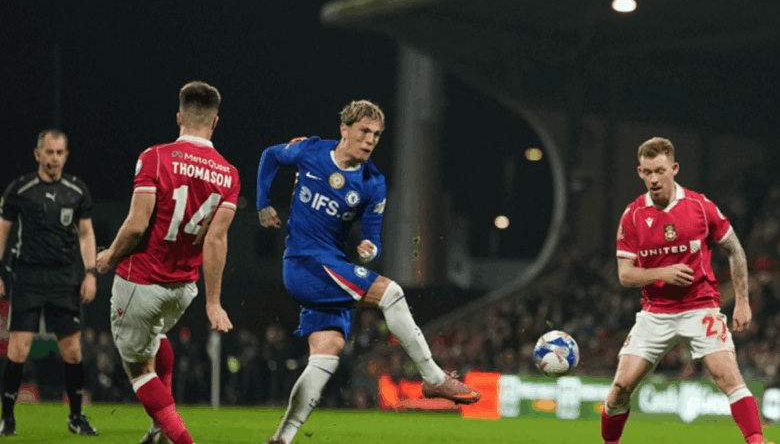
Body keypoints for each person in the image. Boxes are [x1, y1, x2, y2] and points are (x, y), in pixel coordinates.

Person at [256, 100, 481, 444]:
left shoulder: (373, 183)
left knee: (326, 354)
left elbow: (374, 238)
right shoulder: (311, 151)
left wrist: (370, 250)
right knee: (392, 293)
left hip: (329, 268)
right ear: (344, 129)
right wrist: (262, 203)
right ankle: (434, 377)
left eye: (376, 134)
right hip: (304, 262)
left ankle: (281, 439)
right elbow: (270, 156)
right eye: (364, 131)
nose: (370, 139)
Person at [602, 137, 773, 444]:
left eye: (660, 170)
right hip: (655, 313)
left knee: (728, 377)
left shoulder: (700, 207)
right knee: (619, 389)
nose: (654, 178)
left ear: (674, 169)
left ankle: (757, 442)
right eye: (647, 172)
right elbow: (625, 275)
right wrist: (662, 273)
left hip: (700, 308)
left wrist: (742, 302)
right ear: (640, 172)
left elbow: (735, 250)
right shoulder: (632, 216)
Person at [96, 81, 239, 444]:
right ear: (215, 122)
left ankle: (178, 437)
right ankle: (159, 430)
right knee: (156, 338)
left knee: (137, 368)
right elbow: (216, 240)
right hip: (184, 289)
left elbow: (136, 224)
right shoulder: (229, 173)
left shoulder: (155, 157)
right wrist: (213, 302)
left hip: (142, 282)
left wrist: (110, 256)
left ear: (179, 117)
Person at [0, 129, 99, 437]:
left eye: (59, 153)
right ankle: (7, 419)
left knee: (73, 352)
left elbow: (86, 234)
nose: (54, 158)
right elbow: (3, 231)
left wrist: (90, 273)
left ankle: (76, 417)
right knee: (18, 350)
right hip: (27, 277)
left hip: (64, 279)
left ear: (66, 156)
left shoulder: (77, 190)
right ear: (37, 154)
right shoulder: (20, 189)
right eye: (49, 152)